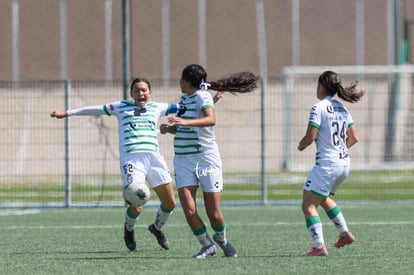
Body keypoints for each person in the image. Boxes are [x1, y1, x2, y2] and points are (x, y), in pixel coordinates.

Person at [50, 78, 179, 252]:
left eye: (144, 90)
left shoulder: (158, 107)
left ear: (150, 92)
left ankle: (156, 228)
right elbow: (96, 109)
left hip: (154, 159)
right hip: (132, 160)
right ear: (131, 93)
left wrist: (210, 103)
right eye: (137, 90)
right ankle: (129, 229)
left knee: (170, 203)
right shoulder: (120, 106)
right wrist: (67, 113)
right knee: (137, 204)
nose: (140, 93)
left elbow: (185, 107)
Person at [160, 64, 258, 259]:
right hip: (183, 160)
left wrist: (184, 122)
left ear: (185, 81)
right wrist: (169, 129)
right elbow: (184, 127)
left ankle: (222, 240)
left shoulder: (202, 96)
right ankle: (207, 245)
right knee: (189, 210)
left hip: (205, 159)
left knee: (213, 212)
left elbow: (210, 119)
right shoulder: (185, 98)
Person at [297, 71, 364, 256]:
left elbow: (310, 137)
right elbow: (354, 138)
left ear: (321, 86)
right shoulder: (343, 108)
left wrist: (301, 146)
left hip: (328, 165)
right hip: (344, 164)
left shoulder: (318, 108)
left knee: (308, 205)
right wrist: (339, 151)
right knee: (323, 197)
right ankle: (345, 234)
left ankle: (319, 247)